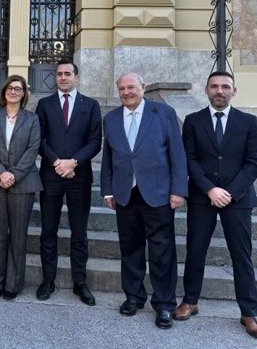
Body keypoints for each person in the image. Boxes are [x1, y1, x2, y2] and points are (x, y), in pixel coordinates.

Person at [175, 71, 257, 339]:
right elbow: (188, 158)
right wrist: (210, 189)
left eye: (225, 87)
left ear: (234, 91)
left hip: (237, 199)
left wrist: (229, 192)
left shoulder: (249, 122)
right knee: (196, 252)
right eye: (214, 86)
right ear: (206, 90)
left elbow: (254, 162)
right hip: (203, 197)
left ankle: (249, 312)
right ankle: (190, 301)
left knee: (242, 256)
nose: (219, 91)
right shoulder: (193, 121)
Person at [100, 72, 188, 330]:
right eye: (122, 88)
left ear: (143, 87)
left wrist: (178, 190)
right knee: (130, 249)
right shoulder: (112, 118)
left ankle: (164, 304)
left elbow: (177, 154)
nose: (127, 92)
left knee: (162, 251)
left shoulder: (163, 113)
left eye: (131, 87)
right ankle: (134, 296)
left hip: (158, 193)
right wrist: (107, 190)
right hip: (125, 195)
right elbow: (108, 158)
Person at [34, 60, 102, 304]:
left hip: (79, 176)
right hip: (51, 176)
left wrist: (73, 162)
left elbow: (95, 141)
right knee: (48, 230)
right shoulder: (44, 104)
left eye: (67, 74)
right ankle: (48, 279)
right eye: (59, 74)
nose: (63, 78)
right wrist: (57, 163)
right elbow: (39, 139)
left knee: (79, 232)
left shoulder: (91, 105)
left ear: (77, 77)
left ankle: (80, 282)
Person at [0, 75, 42, 300]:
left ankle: (12, 285)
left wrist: (14, 175)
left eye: (19, 88)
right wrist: (1, 173)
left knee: (17, 235)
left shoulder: (32, 119)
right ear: (4, 91)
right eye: (10, 87)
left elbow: (33, 148)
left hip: (23, 182)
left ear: (24, 93)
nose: (14, 91)